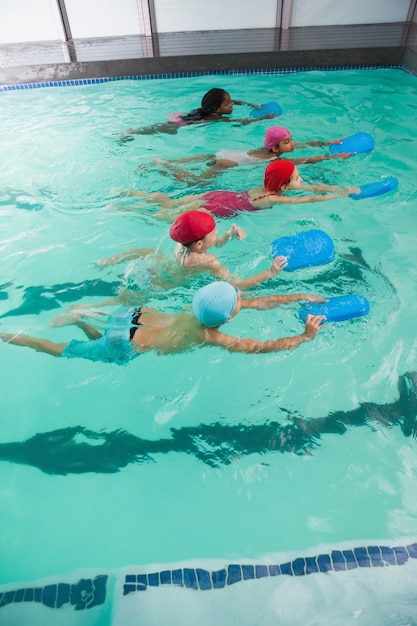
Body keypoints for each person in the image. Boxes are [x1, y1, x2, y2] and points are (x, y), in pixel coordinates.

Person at [0, 282, 326, 363]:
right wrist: (304, 337)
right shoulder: (208, 335)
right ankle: (15, 337)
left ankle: (78, 320)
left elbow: (258, 302)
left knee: (95, 340)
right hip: (124, 346)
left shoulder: (193, 307)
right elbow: (259, 347)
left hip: (133, 318)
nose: (245, 300)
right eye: (238, 300)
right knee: (62, 351)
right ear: (227, 318)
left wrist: (297, 296)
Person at [97, 210, 288, 293]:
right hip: (159, 289)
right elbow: (235, 284)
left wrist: (229, 234)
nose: (217, 233)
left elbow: (212, 243)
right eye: (214, 232)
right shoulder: (208, 261)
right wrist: (270, 272)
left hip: (151, 272)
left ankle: (106, 263)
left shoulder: (181, 244)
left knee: (144, 252)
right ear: (199, 244)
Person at [117, 159, 360, 219]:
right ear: (285, 186)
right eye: (298, 178)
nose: (302, 180)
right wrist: (337, 195)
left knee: (170, 201)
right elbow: (305, 201)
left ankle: (129, 195)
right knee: (166, 216)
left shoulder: (267, 186)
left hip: (217, 195)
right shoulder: (274, 198)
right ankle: (132, 211)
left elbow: (309, 188)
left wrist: (339, 188)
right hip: (218, 207)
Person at [152, 126, 352, 185]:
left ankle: (167, 161)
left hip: (224, 153)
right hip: (226, 163)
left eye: (291, 139)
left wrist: (328, 143)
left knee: (202, 158)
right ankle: (166, 167)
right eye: (287, 141)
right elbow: (307, 159)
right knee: (194, 182)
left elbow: (305, 145)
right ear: (275, 148)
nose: (292, 144)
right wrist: (334, 157)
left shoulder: (268, 148)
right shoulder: (277, 159)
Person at [118, 88, 277, 140]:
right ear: (216, 110)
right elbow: (242, 122)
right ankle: (131, 132)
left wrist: (251, 104)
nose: (231, 105)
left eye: (229, 103)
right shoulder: (217, 118)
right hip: (183, 123)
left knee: (157, 127)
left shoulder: (212, 108)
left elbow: (234, 100)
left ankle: (132, 131)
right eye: (227, 104)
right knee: (157, 129)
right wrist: (265, 117)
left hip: (187, 116)